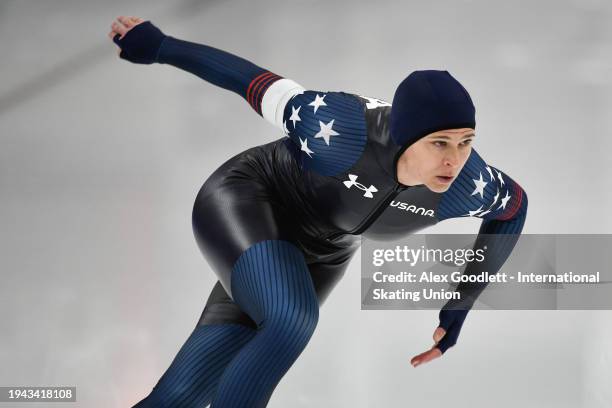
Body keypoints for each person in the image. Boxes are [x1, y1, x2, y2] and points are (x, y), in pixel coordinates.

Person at [108, 16, 528, 408]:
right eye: (439, 143)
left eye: (466, 140)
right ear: (404, 136)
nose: (454, 160)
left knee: (179, 396)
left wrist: (461, 303)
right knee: (291, 320)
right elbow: (251, 81)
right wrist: (162, 46)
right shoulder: (338, 129)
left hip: (324, 253)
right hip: (251, 199)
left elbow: (514, 209)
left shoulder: (470, 186)